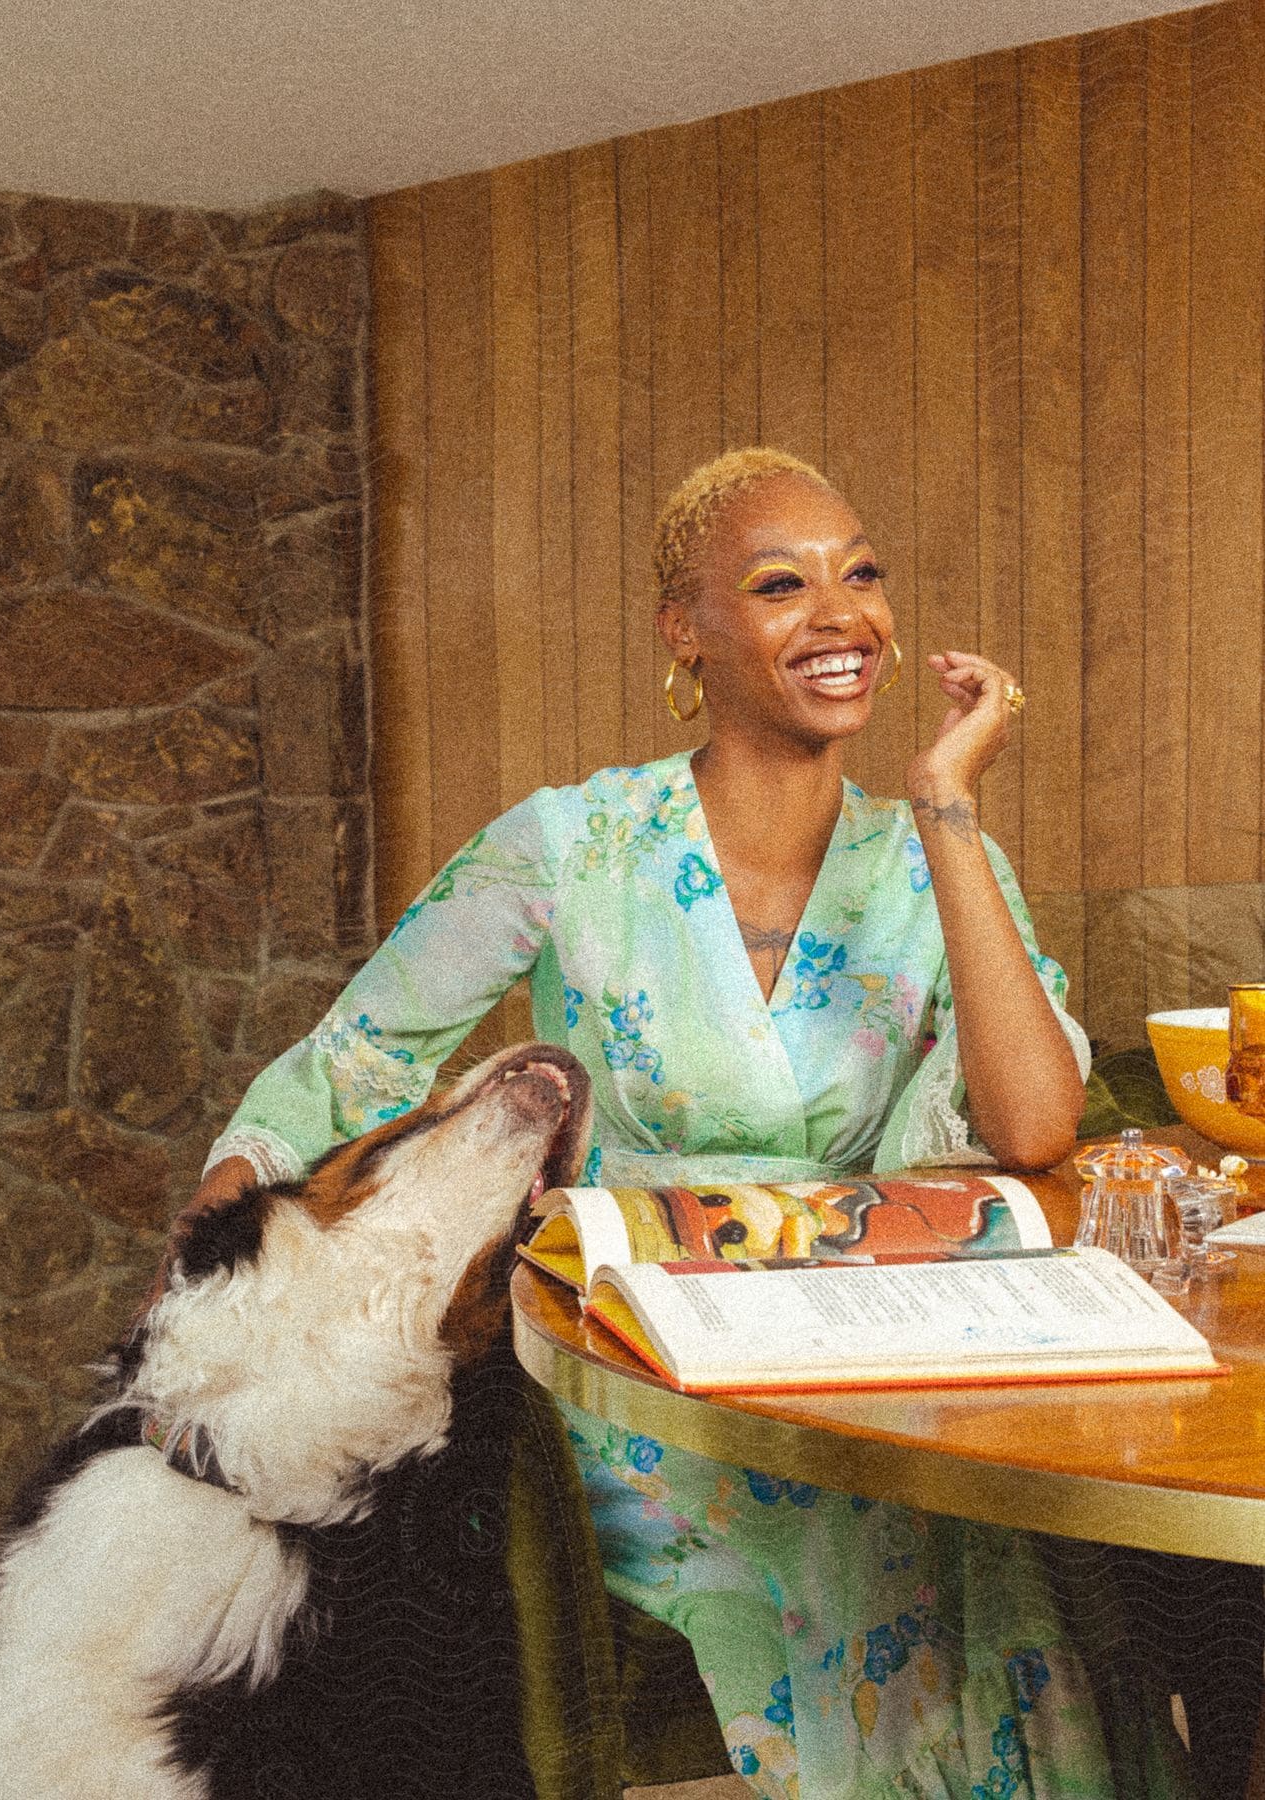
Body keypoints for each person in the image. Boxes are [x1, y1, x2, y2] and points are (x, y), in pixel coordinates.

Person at [191, 448, 1190, 1799]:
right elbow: (359, 1054)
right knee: (862, 1540)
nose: (840, 616)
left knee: (1006, 1546)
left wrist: (950, 808)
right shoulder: (571, 847)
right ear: (684, 631)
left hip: (875, 1358)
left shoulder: (928, 861)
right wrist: (230, 1198)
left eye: (862, 576)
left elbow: (1028, 1128)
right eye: (781, 585)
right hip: (638, 1365)